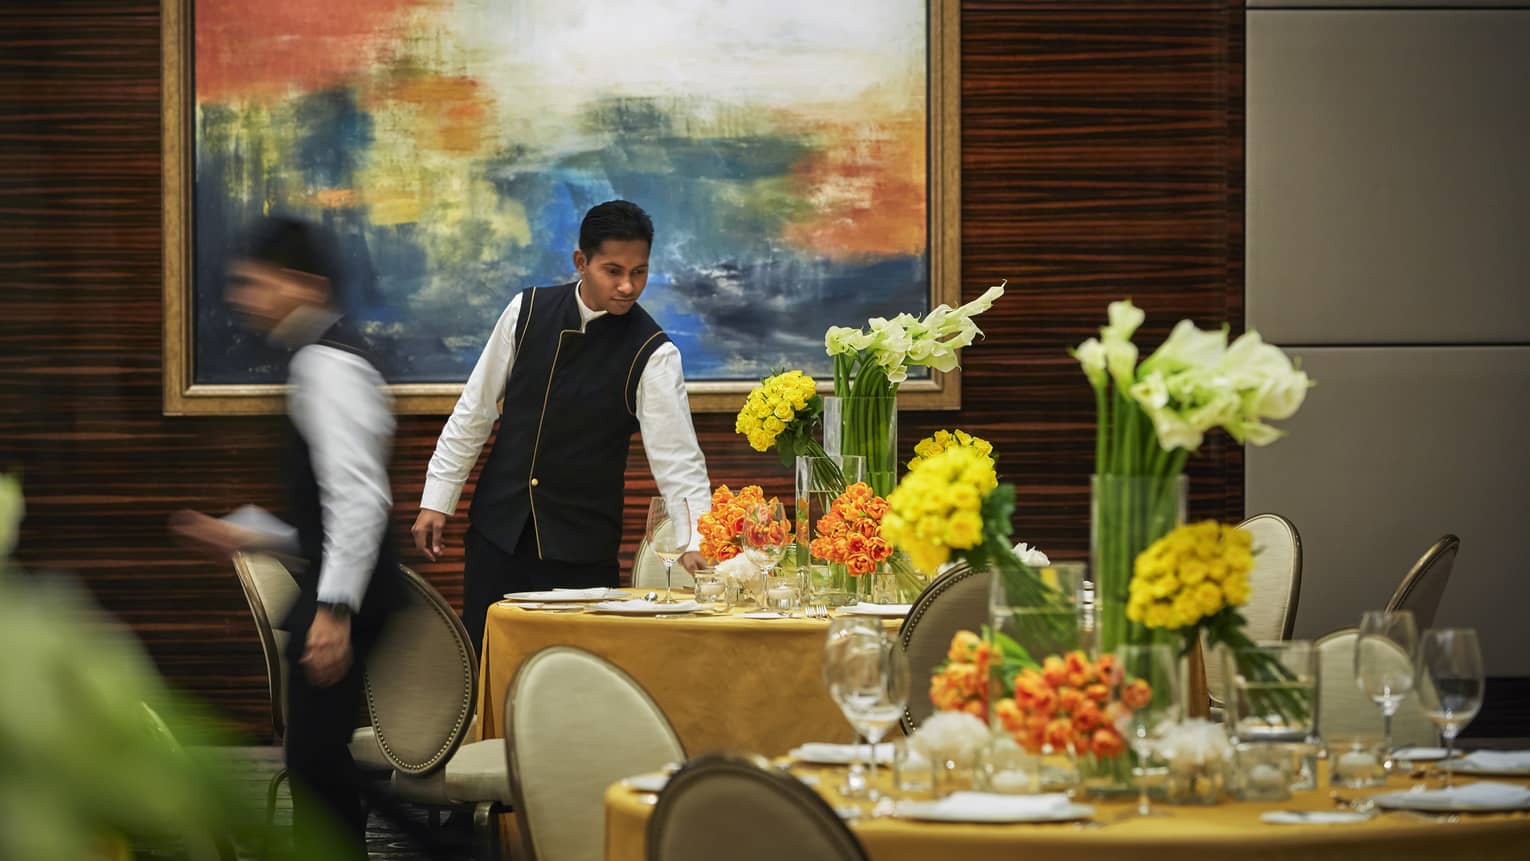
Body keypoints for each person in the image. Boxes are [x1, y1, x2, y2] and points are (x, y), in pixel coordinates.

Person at [171, 216, 407, 860]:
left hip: (348, 596)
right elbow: (325, 515)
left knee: (318, 764)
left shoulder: (326, 364)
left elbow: (360, 500)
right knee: (320, 761)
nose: (243, 298)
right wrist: (245, 531)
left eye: (255, 282)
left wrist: (334, 610)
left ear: (303, 284)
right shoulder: (319, 357)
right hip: (345, 588)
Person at [413, 200, 711, 650]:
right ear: (581, 262)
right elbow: (474, 410)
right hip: (498, 536)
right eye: (613, 270)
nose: (628, 286)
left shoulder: (654, 353)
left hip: (582, 554)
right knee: (490, 669)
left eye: (640, 272)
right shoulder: (526, 311)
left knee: (573, 689)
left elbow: (679, 461)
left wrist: (696, 538)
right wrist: (437, 498)